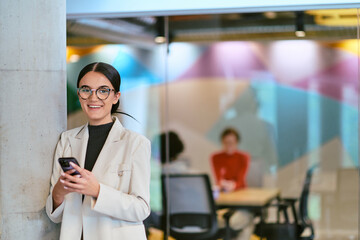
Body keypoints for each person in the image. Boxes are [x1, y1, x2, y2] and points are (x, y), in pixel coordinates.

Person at [45, 62, 151, 240]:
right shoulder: (67, 140)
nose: (93, 98)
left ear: (116, 96)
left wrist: (97, 191)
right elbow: (55, 216)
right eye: (86, 90)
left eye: (103, 91)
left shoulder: (136, 143)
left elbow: (141, 209)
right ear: (79, 95)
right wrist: (58, 193)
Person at [210, 128, 254, 240]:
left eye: (231, 142)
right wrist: (224, 184)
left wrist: (233, 185)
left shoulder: (243, 157)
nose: (229, 145)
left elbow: (240, 180)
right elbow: (219, 179)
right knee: (248, 224)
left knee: (243, 222)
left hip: (241, 200)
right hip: (223, 200)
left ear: (237, 142)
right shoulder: (216, 157)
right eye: (226, 142)